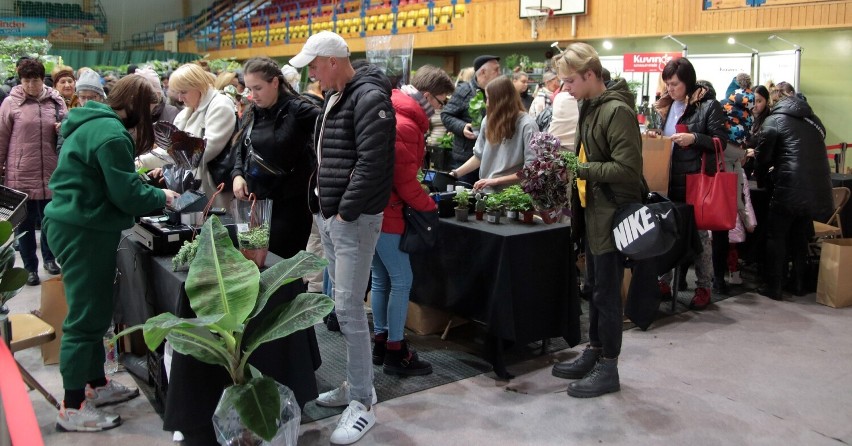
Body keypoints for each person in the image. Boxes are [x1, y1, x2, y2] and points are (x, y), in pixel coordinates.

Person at [43, 74, 179, 432]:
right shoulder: (112, 135)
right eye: (149, 112)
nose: (149, 119)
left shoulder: (90, 123)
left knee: (96, 311)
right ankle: (72, 407)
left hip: (77, 224)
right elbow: (125, 195)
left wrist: (142, 184)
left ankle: (96, 385)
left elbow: (104, 179)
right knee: (85, 319)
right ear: (136, 106)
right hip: (83, 230)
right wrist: (159, 197)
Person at [290, 30, 395, 445]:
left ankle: (364, 401)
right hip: (333, 216)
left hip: (351, 219)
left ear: (332, 60)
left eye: (314, 65)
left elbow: (373, 165)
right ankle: (355, 386)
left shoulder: (368, 98)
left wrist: (343, 209)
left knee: (349, 308)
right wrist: (326, 206)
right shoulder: (338, 95)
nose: (312, 74)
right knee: (343, 305)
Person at [550, 42, 643, 398]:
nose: (565, 89)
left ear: (591, 75)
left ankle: (609, 367)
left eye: (570, 81)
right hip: (592, 213)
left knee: (606, 293)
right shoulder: (589, 105)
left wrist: (580, 169)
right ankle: (594, 351)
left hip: (612, 214)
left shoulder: (616, 110)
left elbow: (628, 169)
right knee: (595, 288)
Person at [371, 65, 454, 378]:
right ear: (428, 95)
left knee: (381, 279)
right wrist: (428, 204)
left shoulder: (396, 113)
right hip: (391, 212)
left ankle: (381, 341)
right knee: (401, 281)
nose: (441, 108)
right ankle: (396, 350)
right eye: (441, 101)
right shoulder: (406, 124)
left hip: (378, 210)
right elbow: (404, 181)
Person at [653, 57, 728, 310]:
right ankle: (664, 280)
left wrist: (693, 137)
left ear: (687, 81)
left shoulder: (709, 106)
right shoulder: (666, 105)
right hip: (668, 178)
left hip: (697, 180)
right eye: (667, 84)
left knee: (700, 237)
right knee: (666, 231)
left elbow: (721, 142)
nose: (669, 89)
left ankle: (704, 285)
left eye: (674, 84)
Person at [231, 56, 321, 258]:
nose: (253, 95)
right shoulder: (252, 112)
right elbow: (241, 149)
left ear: (275, 82)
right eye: (249, 89)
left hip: (290, 208)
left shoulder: (298, 109)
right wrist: (237, 175)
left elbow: (333, 130)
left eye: (258, 88)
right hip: (255, 204)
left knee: (281, 270)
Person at [753, 88, 833, 300]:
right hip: (817, 189)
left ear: (775, 102)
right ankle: (798, 283)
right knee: (800, 235)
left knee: (776, 236)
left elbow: (763, 157)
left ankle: (773, 285)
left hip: (788, 186)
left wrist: (760, 176)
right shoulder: (813, 120)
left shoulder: (774, 120)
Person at [0, 58, 66, 286]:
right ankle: (30, 267)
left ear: (42, 79)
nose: (30, 85)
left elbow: (67, 133)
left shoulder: (55, 101)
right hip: (21, 174)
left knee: (50, 219)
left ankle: (49, 259)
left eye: (35, 80)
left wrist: (62, 128)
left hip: (50, 172)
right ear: (21, 80)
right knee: (25, 225)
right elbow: (2, 138)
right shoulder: (11, 103)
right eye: (26, 80)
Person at [449, 75, 537, 193]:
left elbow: (531, 171)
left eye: (489, 99)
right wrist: (455, 173)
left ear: (502, 101)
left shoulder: (528, 125)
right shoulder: (488, 120)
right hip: (486, 192)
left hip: (513, 196)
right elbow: (479, 157)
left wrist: (494, 181)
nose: (487, 104)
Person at [170, 63, 238, 208]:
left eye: (184, 92)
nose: (180, 98)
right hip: (191, 190)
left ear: (198, 86)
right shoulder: (186, 112)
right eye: (178, 92)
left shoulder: (220, 105)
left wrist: (168, 158)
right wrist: (144, 162)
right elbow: (170, 146)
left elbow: (208, 148)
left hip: (213, 189)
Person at [720, 73, 757, 286]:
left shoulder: (726, 103)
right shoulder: (749, 105)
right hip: (739, 150)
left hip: (726, 151)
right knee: (737, 191)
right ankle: (734, 274)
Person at [441, 55, 502, 183]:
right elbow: (446, 115)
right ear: (483, 72)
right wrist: (462, 127)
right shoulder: (464, 91)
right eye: (496, 70)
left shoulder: (498, 92)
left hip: (492, 158)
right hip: (466, 158)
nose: (499, 73)